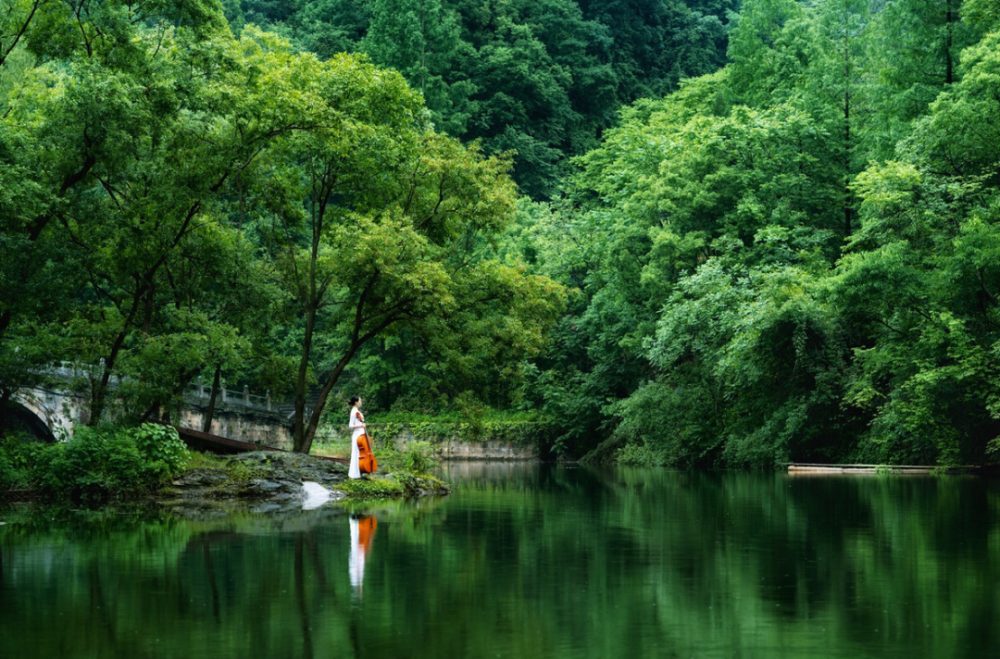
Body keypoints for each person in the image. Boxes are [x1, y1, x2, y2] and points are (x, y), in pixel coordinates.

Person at [348, 396, 365, 479]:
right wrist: (361, 425)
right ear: (356, 402)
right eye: (360, 401)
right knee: (356, 454)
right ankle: (355, 474)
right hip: (357, 435)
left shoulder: (357, 411)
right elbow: (350, 425)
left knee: (361, 454)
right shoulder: (354, 412)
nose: (361, 402)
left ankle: (361, 471)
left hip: (361, 434)